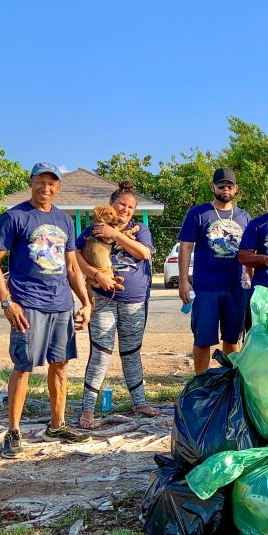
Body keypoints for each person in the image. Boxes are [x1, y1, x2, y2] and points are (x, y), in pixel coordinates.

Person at [0, 162, 93, 458]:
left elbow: (71, 266)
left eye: (52, 183)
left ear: (58, 186)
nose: (47, 189)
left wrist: (85, 302)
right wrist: (7, 302)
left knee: (60, 365)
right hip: (28, 304)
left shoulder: (64, 220)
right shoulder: (15, 217)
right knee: (24, 366)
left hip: (61, 305)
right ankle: (14, 432)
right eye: (41, 183)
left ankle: (57, 425)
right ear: (31, 183)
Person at [73, 181, 159, 429]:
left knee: (131, 353)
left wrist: (116, 235)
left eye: (131, 206)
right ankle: (88, 409)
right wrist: (95, 274)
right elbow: (75, 255)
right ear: (111, 204)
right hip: (102, 298)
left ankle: (140, 402)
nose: (126, 209)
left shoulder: (140, 229)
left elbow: (144, 253)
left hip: (134, 301)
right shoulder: (93, 228)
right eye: (122, 204)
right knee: (100, 354)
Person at [178, 168, 252, 375]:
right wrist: (184, 281)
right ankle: (201, 382)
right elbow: (185, 247)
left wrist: (253, 286)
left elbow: (250, 254)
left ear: (236, 189)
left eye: (229, 185)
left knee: (232, 339)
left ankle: (229, 382)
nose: (225, 189)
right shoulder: (198, 214)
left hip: (236, 288)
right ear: (213, 187)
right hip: (206, 288)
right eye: (221, 185)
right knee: (203, 340)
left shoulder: (245, 217)